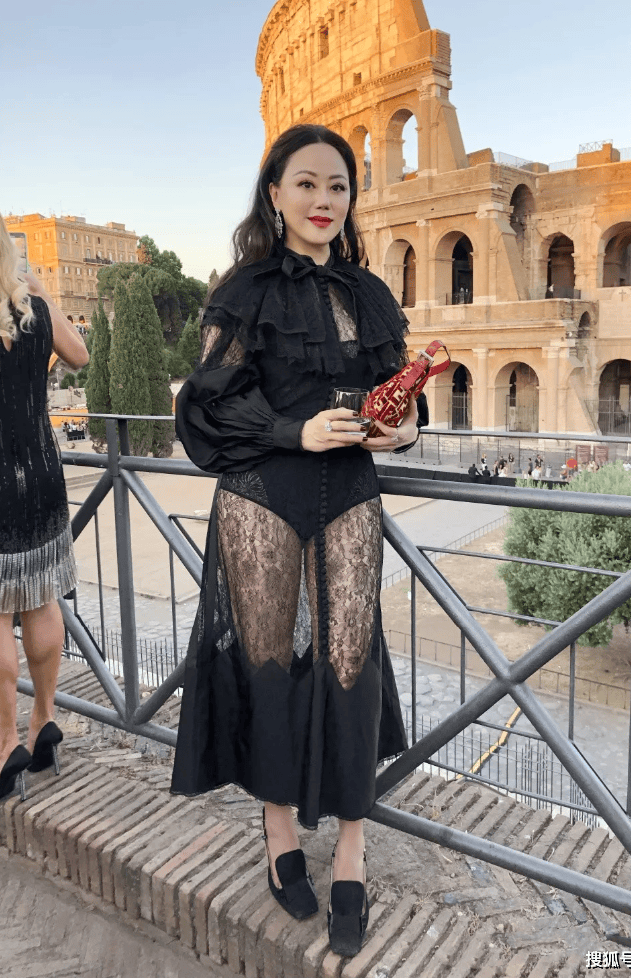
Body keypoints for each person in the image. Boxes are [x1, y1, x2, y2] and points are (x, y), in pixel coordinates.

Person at [171, 125, 426, 958]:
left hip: (351, 493)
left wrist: (405, 428)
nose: (324, 200)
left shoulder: (369, 292)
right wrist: (295, 430)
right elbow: (208, 407)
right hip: (262, 499)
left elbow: (399, 391)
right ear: (274, 193)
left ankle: (352, 845)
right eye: (307, 183)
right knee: (269, 664)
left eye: (338, 186)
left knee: (351, 664)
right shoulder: (242, 290)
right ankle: (278, 828)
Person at [0, 214, 88, 803]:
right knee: (41, 597)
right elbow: (79, 354)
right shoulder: (33, 307)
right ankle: (45, 721)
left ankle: (5, 743)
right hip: (41, 473)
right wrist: (40, 293)